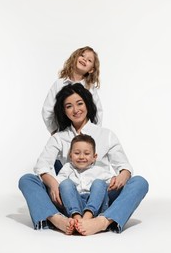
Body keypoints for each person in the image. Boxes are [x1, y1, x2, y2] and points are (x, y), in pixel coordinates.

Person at [19, 83, 149, 236]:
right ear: (63, 111)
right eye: (69, 106)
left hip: (101, 198)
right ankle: (57, 220)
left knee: (140, 182)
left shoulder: (105, 134)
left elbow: (124, 166)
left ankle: (102, 221)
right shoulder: (59, 137)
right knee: (27, 180)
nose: (75, 110)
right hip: (68, 198)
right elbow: (42, 166)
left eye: (79, 103)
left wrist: (122, 175)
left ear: (87, 104)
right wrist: (53, 184)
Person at [42, 46, 103, 135]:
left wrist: (95, 133)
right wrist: (54, 131)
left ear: (91, 69)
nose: (84, 59)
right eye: (82, 55)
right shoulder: (59, 84)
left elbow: (98, 112)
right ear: (75, 58)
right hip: (64, 132)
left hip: (85, 135)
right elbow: (47, 110)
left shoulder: (90, 88)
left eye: (89, 60)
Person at [56, 134, 112, 222]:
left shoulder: (99, 170)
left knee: (99, 183)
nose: (81, 157)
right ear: (70, 156)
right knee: (65, 184)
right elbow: (57, 183)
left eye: (86, 153)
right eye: (77, 153)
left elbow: (113, 181)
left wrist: (115, 180)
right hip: (74, 203)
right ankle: (76, 217)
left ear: (94, 157)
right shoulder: (67, 168)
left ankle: (87, 217)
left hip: (95, 205)